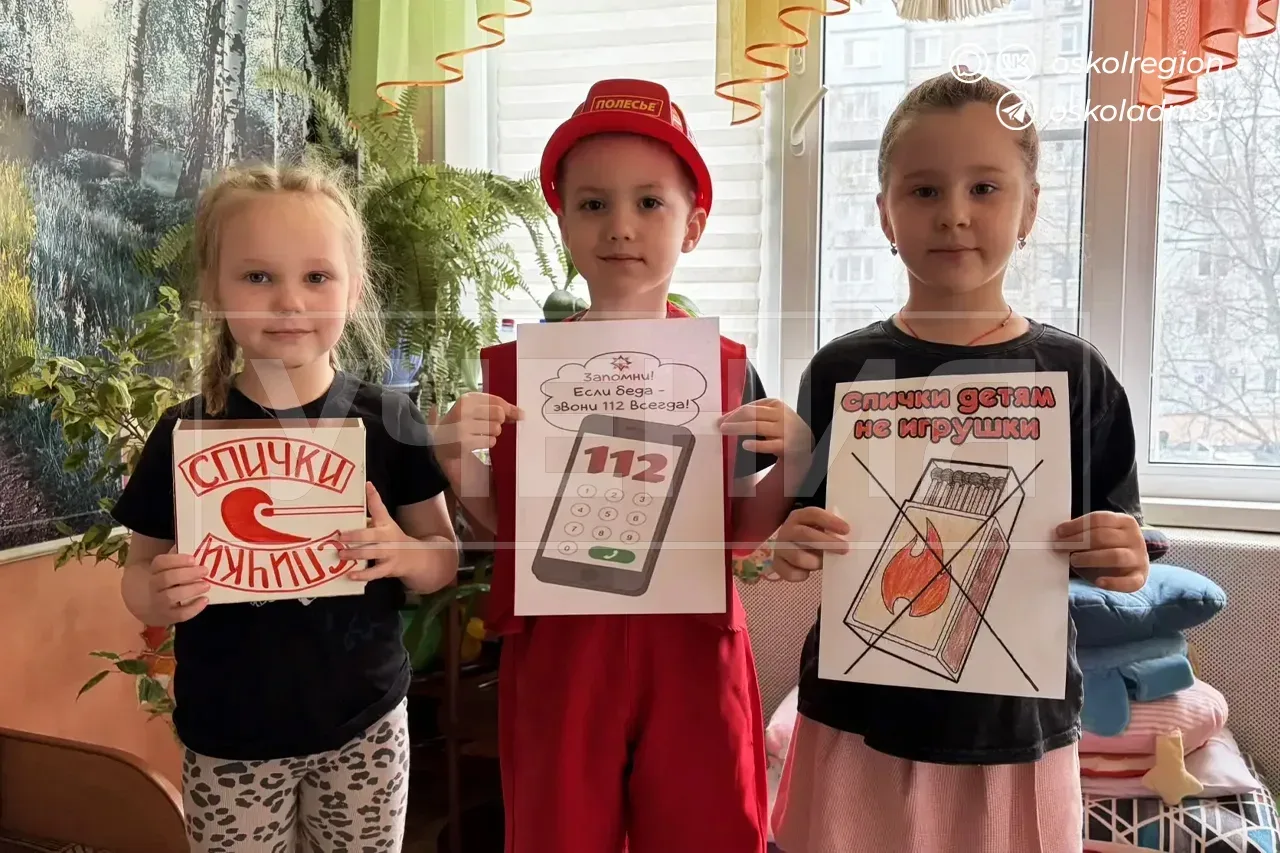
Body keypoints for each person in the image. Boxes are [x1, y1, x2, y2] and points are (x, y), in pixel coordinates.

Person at [768, 71, 1150, 853]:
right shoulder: (842, 369)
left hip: (1014, 727)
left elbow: (1120, 536)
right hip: (859, 717)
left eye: (984, 187)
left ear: (1030, 208)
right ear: (885, 213)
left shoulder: (1078, 374)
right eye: (923, 190)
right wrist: (790, 541)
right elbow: (801, 527)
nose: (953, 213)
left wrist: (1123, 553)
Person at [433, 79, 813, 853]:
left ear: (693, 225)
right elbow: (510, 527)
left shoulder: (726, 370)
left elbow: (738, 533)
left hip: (692, 640)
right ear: (564, 223)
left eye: (649, 203)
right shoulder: (524, 371)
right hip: (563, 641)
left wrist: (796, 458)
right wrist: (453, 454)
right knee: (559, 833)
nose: (621, 226)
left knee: (709, 828)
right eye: (593, 204)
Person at [110, 163, 459, 852]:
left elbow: (442, 559)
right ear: (215, 290)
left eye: (317, 277)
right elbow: (138, 573)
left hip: (365, 727)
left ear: (354, 287)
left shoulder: (392, 422)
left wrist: (403, 552)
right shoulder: (184, 430)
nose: (289, 302)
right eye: (258, 277)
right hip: (229, 735)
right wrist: (157, 593)